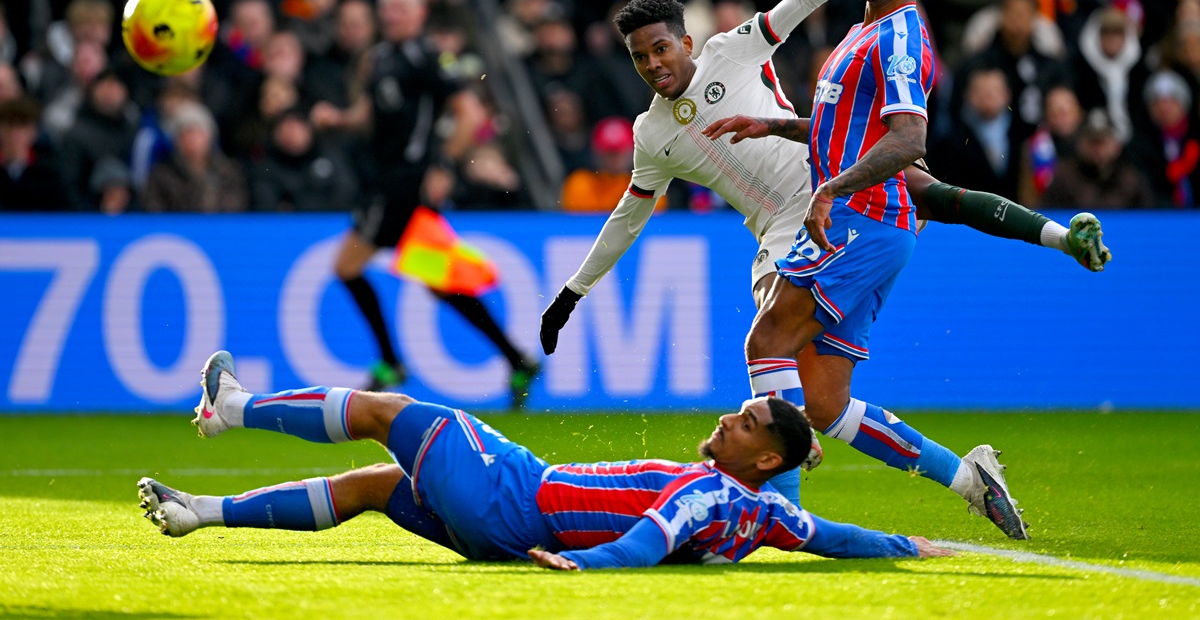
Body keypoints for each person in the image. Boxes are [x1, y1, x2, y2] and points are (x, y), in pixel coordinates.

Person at [540, 0, 1109, 515]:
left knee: (912, 201)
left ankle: (783, 507)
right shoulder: (650, 135)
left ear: (684, 42)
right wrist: (571, 295)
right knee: (826, 405)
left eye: (660, 48)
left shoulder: (724, 53)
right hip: (779, 232)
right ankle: (967, 479)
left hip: (829, 181)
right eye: (640, 58)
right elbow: (627, 217)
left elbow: (784, 14)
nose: (654, 64)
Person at [703, 0, 1032, 539]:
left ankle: (783, 520)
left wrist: (830, 188)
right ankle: (970, 480)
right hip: (869, 221)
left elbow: (910, 139)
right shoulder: (863, 31)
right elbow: (849, 132)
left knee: (767, 341)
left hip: (861, 218)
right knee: (824, 403)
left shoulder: (902, 38)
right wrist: (770, 125)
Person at [137, 351, 954, 569]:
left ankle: (230, 409)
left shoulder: (711, 496)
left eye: (741, 422)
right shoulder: (767, 510)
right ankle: (197, 513)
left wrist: (592, 570)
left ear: (763, 455)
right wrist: (905, 545)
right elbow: (831, 535)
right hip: (508, 530)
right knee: (375, 486)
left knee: (389, 414)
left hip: (512, 498)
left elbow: (657, 534)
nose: (724, 419)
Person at [309, 0, 540, 404]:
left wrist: (444, 164)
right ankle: (517, 358)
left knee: (347, 266)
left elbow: (469, 113)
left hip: (404, 186)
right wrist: (340, 119)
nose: (391, 14)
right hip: (386, 182)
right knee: (439, 283)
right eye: (386, 6)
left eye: (400, 6)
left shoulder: (427, 57)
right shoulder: (378, 58)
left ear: (419, 14)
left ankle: (391, 362)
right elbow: (370, 113)